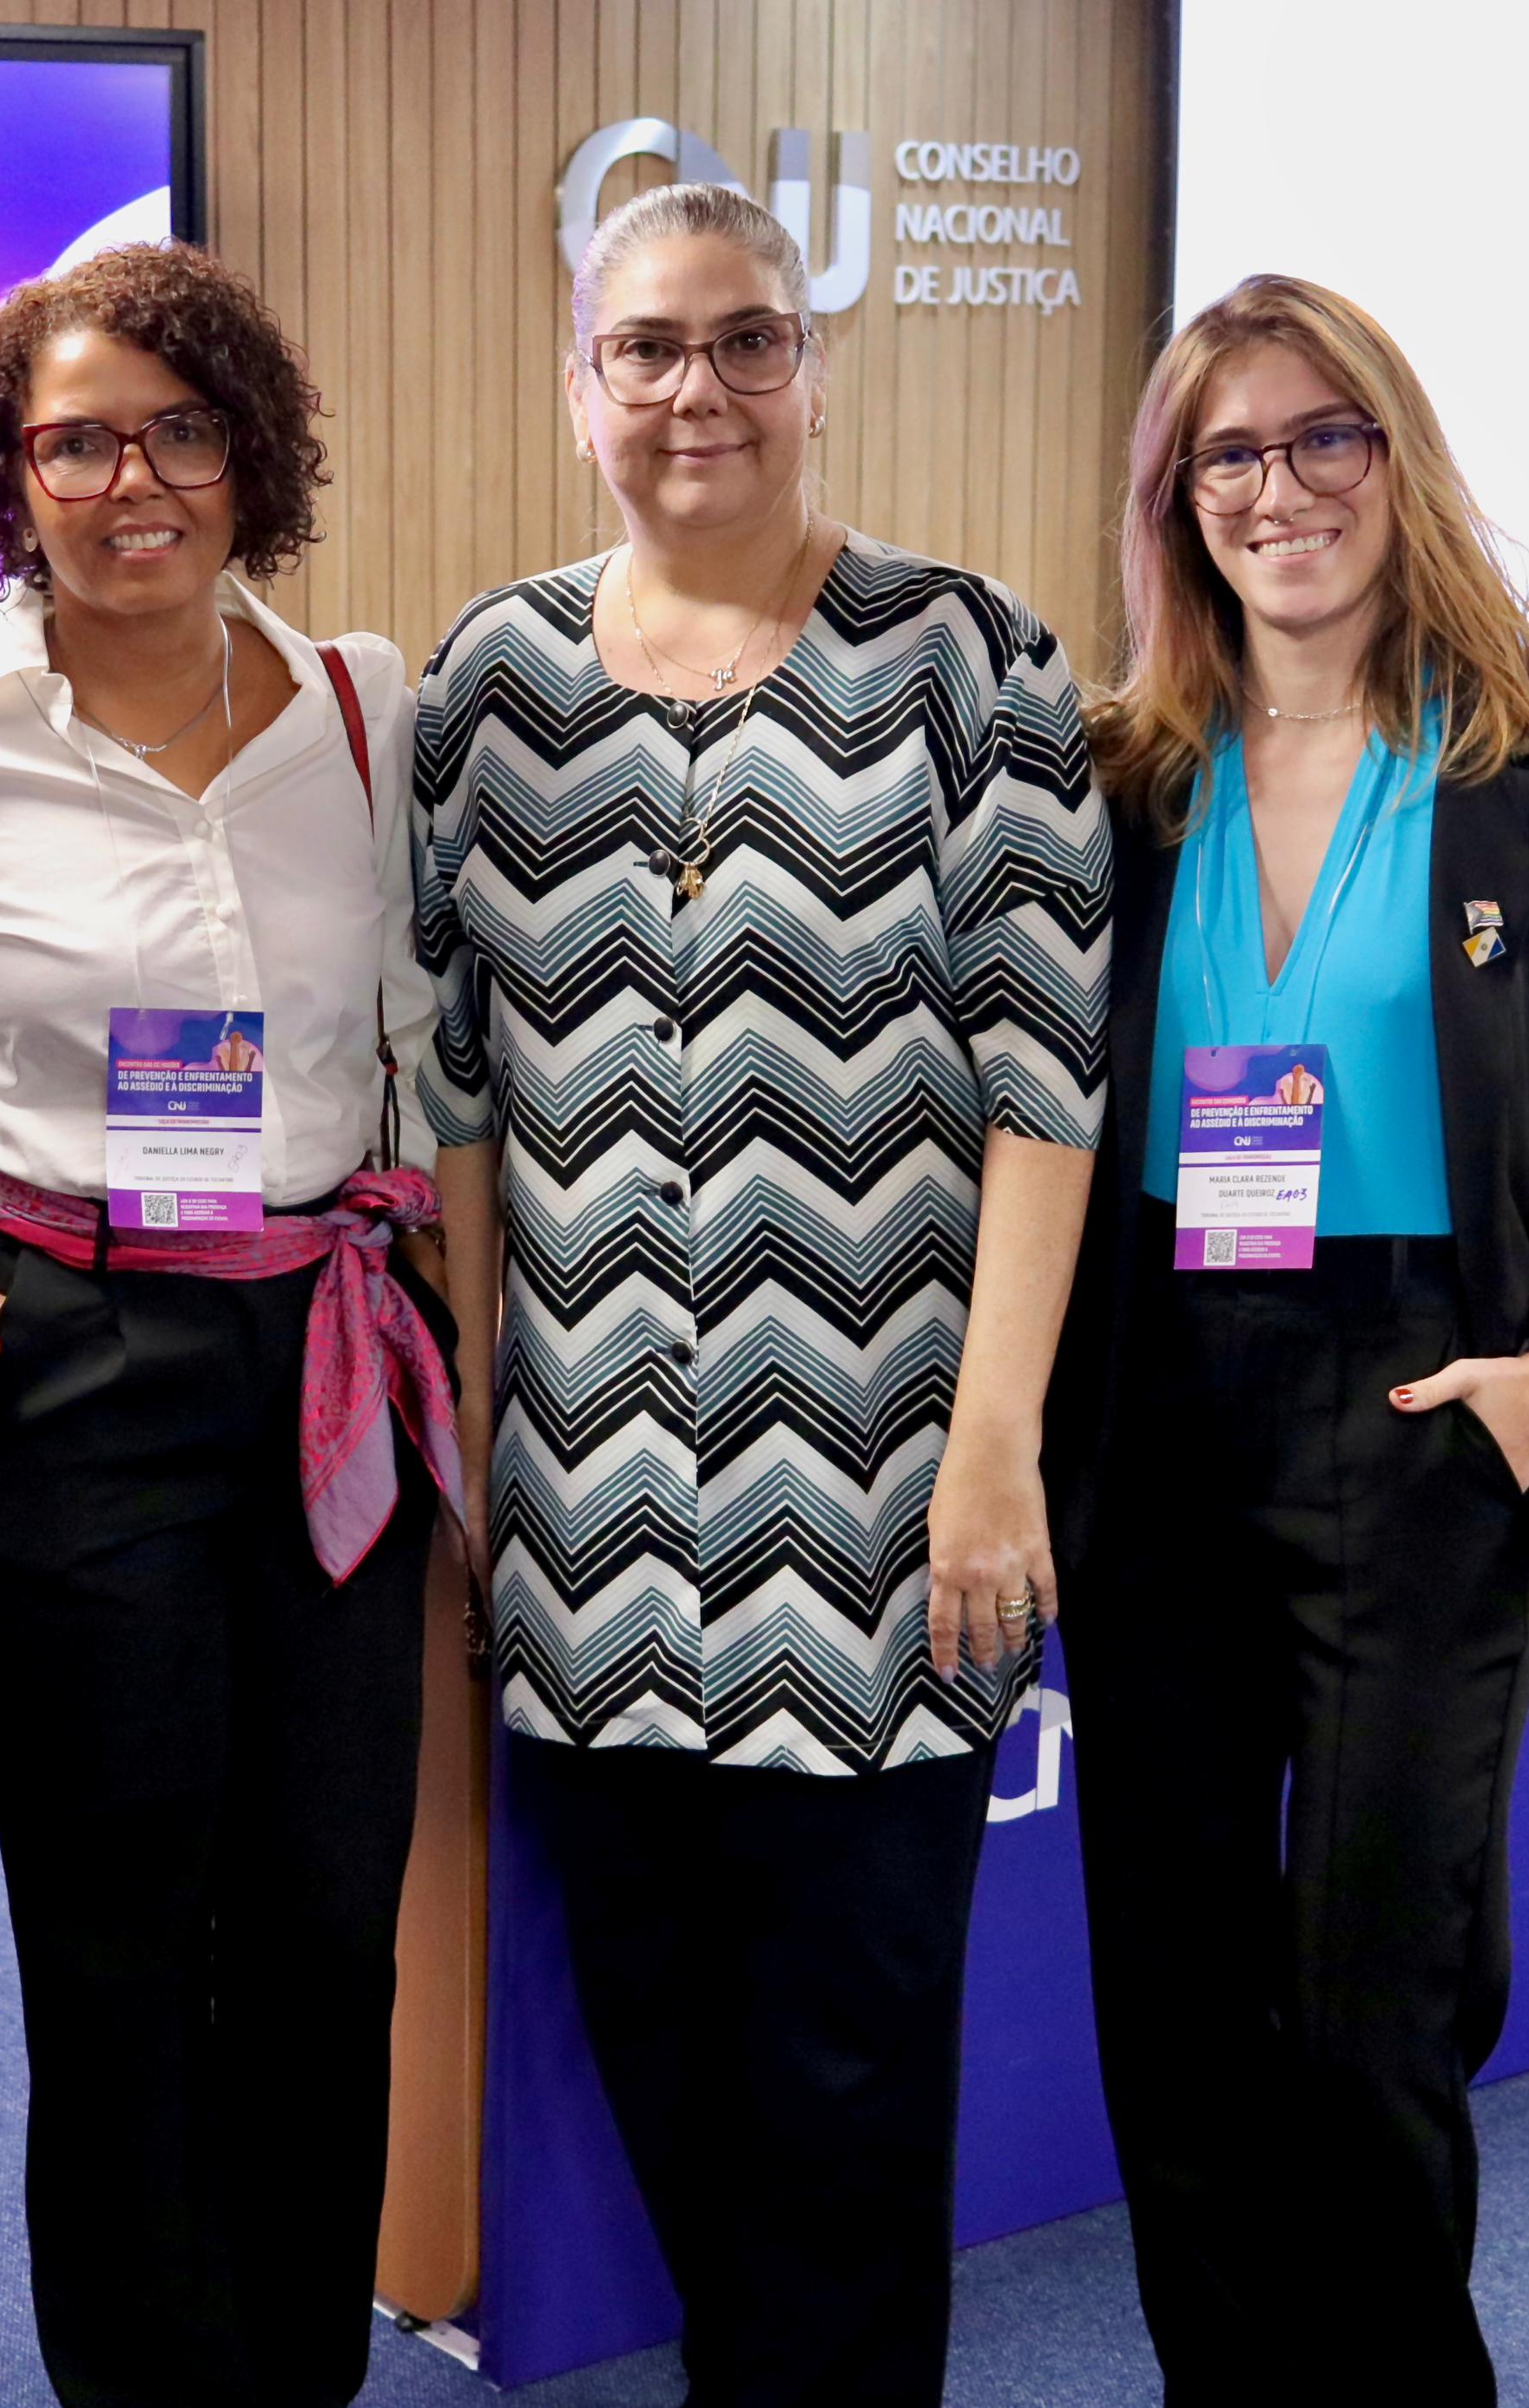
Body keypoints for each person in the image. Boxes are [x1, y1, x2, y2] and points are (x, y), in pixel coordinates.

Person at [416, 182, 1109, 2404]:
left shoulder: (965, 659)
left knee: (840, 2099)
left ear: (813, 369)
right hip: (583, 1531)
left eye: (742, 339)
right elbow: (457, 1111)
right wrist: (465, 1449)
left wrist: (991, 1453)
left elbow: (1045, 1089)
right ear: (579, 386)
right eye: (645, 347)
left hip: (886, 1514)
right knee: (665, 2083)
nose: (693, 386)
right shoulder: (487, 682)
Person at [0, 242, 449, 2408]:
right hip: (61, 1356)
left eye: (179, 430)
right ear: (8, 476)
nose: (134, 479)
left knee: (328, 1905)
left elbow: (432, 1029)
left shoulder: (367, 706)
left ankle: (293, 2363)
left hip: (325, 1346)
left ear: (248, 456)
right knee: (120, 1925)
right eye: (78, 439)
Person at [1044, 272, 1529, 2403]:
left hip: (1423, 1398)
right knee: (1180, 1999)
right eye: (1230, 451)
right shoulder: (1113, 774)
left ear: (1398, 457)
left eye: (1327, 437)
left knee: (1378, 1999)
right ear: (1174, 497)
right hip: (1160, 1411)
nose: (1281, 487)